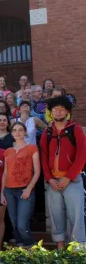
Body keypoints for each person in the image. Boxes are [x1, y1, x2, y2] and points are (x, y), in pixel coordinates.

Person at [40, 96, 86, 249]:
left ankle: (78, 251)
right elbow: (44, 157)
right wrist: (49, 179)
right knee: (56, 217)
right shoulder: (47, 132)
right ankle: (60, 250)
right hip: (53, 182)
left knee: (76, 217)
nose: (58, 112)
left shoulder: (76, 129)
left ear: (67, 111)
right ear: (51, 112)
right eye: (55, 109)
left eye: (61, 109)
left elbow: (82, 155)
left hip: (72, 181)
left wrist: (68, 177)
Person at [0, 122, 40, 248]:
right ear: (11, 133)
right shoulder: (7, 151)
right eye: (15, 130)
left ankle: (32, 247)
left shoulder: (32, 148)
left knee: (22, 225)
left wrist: (29, 189)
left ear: (25, 132)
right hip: (9, 191)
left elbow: (37, 171)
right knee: (14, 223)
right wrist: (2, 193)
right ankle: (21, 250)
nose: (17, 132)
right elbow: (5, 173)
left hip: (25, 190)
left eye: (20, 130)